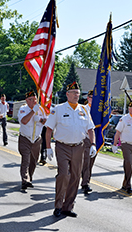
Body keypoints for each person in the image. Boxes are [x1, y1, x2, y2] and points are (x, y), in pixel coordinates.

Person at [45, 82, 96, 218]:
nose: (76, 95)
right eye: (73, 92)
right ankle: (58, 205)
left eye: (78, 93)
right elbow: (49, 129)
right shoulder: (59, 109)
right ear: (67, 94)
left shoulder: (84, 110)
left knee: (75, 176)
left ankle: (68, 207)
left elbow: (90, 129)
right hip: (62, 146)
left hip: (79, 146)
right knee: (63, 175)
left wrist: (93, 144)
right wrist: (48, 147)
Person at [17, 90, 47, 190]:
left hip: (37, 139)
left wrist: (41, 119)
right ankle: (25, 180)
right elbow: (24, 121)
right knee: (26, 159)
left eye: (35, 99)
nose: (33, 101)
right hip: (25, 138)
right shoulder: (23, 109)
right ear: (26, 100)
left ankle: (29, 178)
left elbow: (47, 122)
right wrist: (33, 111)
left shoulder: (41, 110)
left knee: (34, 161)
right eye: (31, 99)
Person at [113, 102, 132, 193]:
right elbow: (118, 132)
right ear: (129, 109)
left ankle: (125, 183)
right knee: (128, 163)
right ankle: (129, 184)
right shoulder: (124, 119)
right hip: (126, 144)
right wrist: (114, 145)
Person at [80, 90, 97, 194]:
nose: (93, 99)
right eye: (91, 97)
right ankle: (83, 182)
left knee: (89, 162)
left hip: (94, 139)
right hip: (83, 137)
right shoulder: (82, 109)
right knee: (83, 162)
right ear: (88, 98)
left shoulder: (99, 111)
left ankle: (86, 182)